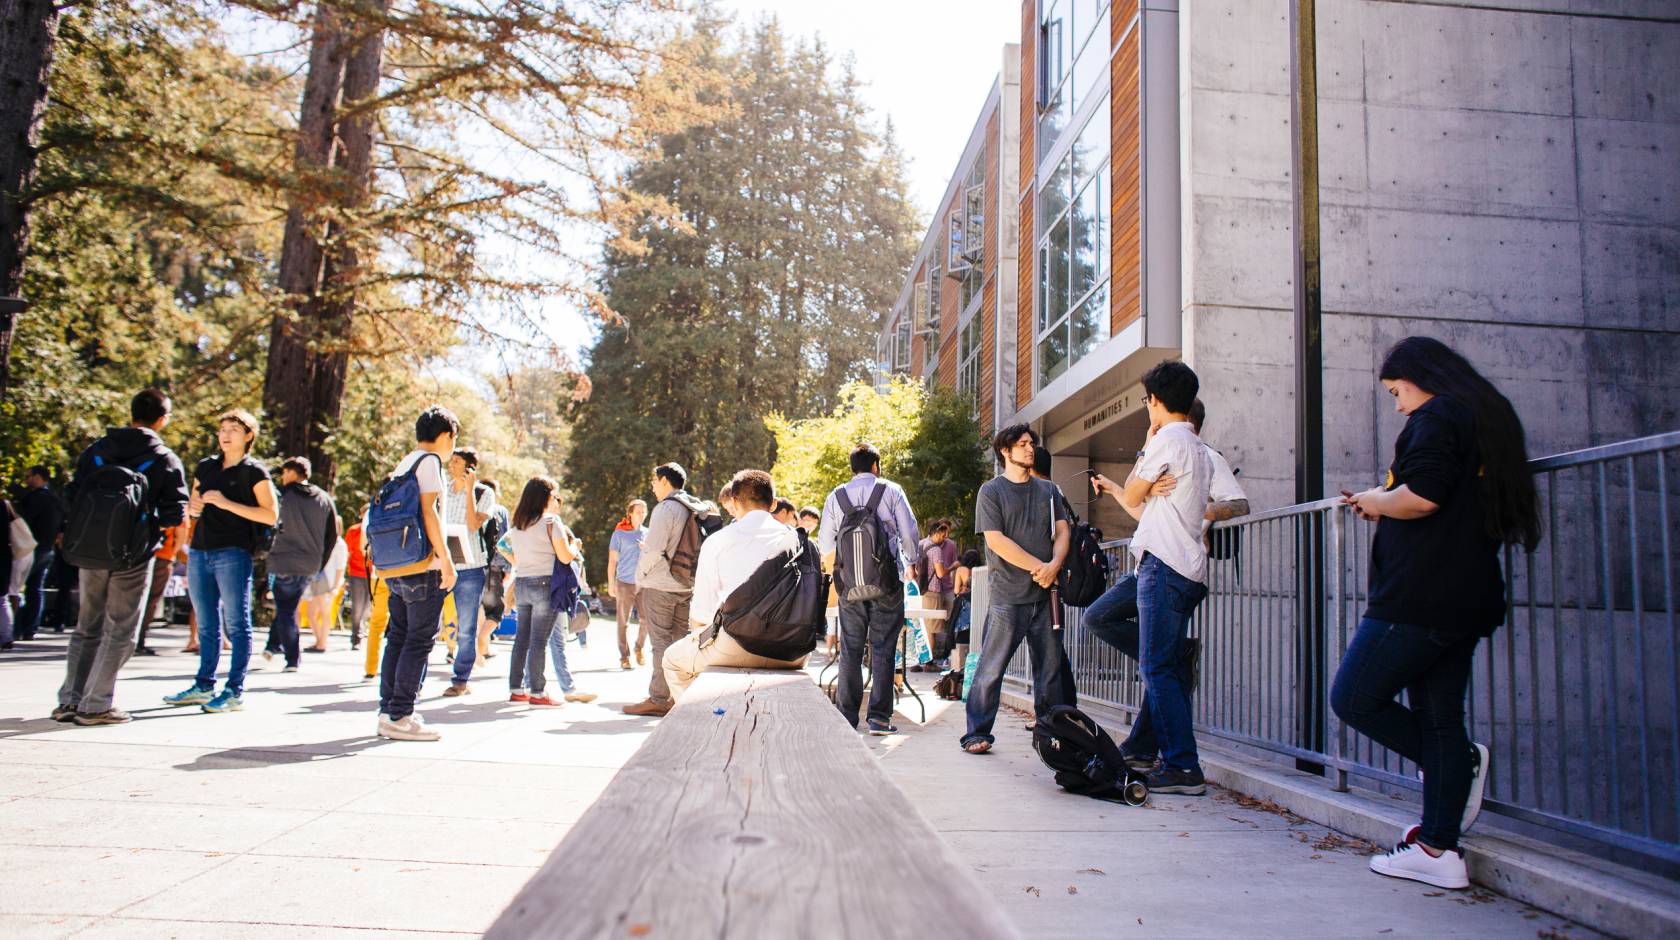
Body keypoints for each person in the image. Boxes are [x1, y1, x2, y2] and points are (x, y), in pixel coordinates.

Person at [1333, 337, 1540, 890]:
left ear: (1419, 377)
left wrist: (1378, 500)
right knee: (1438, 714)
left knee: (1353, 697)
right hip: (1463, 596)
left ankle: (1458, 765)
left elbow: (1423, 495)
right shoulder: (1478, 417)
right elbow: (1440, 500)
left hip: (1420, 595)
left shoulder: (1439, 414)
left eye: (1397, 391)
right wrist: (1384, 503)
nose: (1399, 405)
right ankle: (1438, 848)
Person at [1083, 361, 1213, 793]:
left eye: (1147, 401)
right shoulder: (1195, 445)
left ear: (1155, 401)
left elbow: (1135, 492)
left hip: (1163, 564)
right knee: (1153, 657)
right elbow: (1146, 495)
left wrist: (1145, 450)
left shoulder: (1165, 441)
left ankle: (1182, 766)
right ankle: (1175, 755)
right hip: (1180, 564)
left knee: (1157, 669)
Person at [52, 389, 190, 724]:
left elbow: (71, 494)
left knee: (87, 625)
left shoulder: (98, 449)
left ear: (132, 413)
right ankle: (96, 704)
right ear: (162, 418)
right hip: (134, 554)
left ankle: (70, 700)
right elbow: (175, 513)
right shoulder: (163, 458)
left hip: (90, 550)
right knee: (120, 629)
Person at [961, 425, 1070, 754]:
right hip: (1008, 598)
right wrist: (1040, 567)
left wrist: (1054, 565)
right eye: (1022, 444)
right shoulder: (991, 491)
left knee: (1049, 673)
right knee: (991, 668)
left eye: (1031, 443)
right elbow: (996, 541)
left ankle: (1052, 734)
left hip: (1046, 595)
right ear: (1005, 452)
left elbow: (1064, 531)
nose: (1029, 448)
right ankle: (976, 733)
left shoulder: (1049, 490)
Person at [164, 409, 279, 714]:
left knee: (237, 623)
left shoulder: (255, 472)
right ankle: (204, 685)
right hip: (200, 550)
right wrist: (195, 508)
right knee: (205, 622)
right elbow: (193, 509)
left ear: (249, 436)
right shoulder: (206, 467)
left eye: (234, 429)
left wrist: (227, 503)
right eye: (222, 429)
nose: (226, 435)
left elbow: (271, 514)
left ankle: (234, 690)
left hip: (234, 551)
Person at [664, 470, 811, 699]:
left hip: (736, 645)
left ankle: (702, 721)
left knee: (672, 660)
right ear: (773, 504)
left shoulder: (718, 542)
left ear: (733, 501)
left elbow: (701, 617)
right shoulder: (801, 543)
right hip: (794, 651)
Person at [365, 405, 460, 741]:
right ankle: (401, 714)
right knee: (419, 638)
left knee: (399, 635)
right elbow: (430, 511)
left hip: (395, 565)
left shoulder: (403, 463)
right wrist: (446, 559)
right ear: (447, 436)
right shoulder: (430, 462)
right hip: (423, 564)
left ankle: (388, 709)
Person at [819, 443, 921, 735]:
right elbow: (909, 532)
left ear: (853, 467)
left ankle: (847, 718)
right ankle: (878, 718)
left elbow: (826, 544)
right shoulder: (891, 490)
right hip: (887, 583)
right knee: (884, 649)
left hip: (850, 585)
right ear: (876, 464)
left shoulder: (836, 496)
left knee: (850, 648)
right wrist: (911, 562)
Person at [505, 476, 594, 706]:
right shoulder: (550, 522)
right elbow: (565, 555)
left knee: (521, 639)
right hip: (545, 584)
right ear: (544, 496)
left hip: (523, 583)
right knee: (539, 641)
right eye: (554, 495)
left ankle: (516, 688)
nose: (555, 500)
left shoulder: (518, 525)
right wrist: (576, 546)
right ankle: (538, 692)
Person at [624, 462, 703, 717]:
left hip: (660, 585)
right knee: (679, 643)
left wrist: (639, 576)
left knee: (660, 643)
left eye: (655, 481)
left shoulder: (665, 508)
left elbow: (655, 549)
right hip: (685, 583)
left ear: (665, 481)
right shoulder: (692, 505)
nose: (653, 486)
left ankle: (658, 698)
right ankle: (674, 696)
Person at [264, 456, 340, 672]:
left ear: (291, 472)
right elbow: (333, 535)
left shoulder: (283, 496)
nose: (282, 477)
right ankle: (273, 645)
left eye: (284, 472)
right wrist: (320, 562)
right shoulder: (324, 498)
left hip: (283, 560)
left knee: (286, 609)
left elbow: (268, 524)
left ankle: (292, 658)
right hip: (310, 563)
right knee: (287, 606)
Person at [440, 447, 498, 696]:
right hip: (442, 564)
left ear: (469, 467)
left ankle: (460, 680)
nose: (450, 465)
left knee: (465, 626)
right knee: (427, 622)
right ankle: (415, 680)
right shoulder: (442, 488)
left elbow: (474, 525)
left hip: (470, 568)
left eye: (455, 461)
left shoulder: (484, 493)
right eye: (450, 460)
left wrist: (469, 491)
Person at [13, 465, 63, 640]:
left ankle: (15, 628)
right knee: (36, 589)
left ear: (39, 477)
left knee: (17, 588)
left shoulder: (35, 498)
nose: (26, 481)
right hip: (48, 549)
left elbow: (24, 522)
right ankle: (30, 628)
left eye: (29, 476)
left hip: (30, 548)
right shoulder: (55, 498)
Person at [606, 498, 648, 670]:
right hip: (624, 583)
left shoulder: (649, 532)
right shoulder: (619, 533)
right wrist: (611, 583)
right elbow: (612, 561)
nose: (642, 514)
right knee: (623, 622)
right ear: (630, 514)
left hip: (644, 583)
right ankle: (624, 657)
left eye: (644, 511)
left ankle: (639, 648)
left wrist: (647, 547)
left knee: (647, 620)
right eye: (638, 511)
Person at [135, 522, 188, 656]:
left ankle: (129, 640)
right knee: (150, 601)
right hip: (162, 556)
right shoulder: (176, 503)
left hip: (138, 553)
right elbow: (182, 534)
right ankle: (138, 641)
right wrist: (171, 553)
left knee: (133, 599)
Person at [916, 520, 959, 666]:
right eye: (944, 534)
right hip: (932, 591)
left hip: (919, 591)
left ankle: (917, 662)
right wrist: (952, 567)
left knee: (920, 627)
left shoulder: (921, 544)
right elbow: (941, 573)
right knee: (931, 630)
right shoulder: (936, 550)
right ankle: (929, 663)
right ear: (937, 532)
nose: (945, 537)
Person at [303, 532, 348, 651]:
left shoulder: (339, 544)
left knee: (324, 612)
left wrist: (335, 586)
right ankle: (319, 640)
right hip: (319, 578)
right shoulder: (324, 539)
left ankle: (322, 643)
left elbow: (340, 567)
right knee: (311, 613)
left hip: (327, 580)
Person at [343, 511, 371, 650]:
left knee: (367, 608)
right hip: (356, 574)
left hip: (374, 575)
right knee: (357, 607)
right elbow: (347, 553)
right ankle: (356, 637)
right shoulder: (353, 531)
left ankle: (362, 629)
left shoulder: (378, 528)